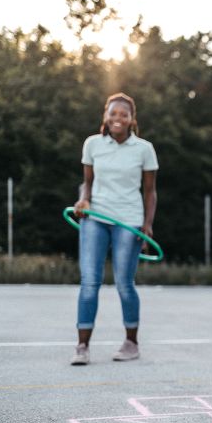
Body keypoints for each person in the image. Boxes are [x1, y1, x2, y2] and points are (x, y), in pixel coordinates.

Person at [71, 93, 158, 365]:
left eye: (123, 114)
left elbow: (150, 191)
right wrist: (84, 199)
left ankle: (131, 343)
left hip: (129, 221)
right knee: (89, 283)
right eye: (113, 113)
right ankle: (82, 347)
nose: (117, 118)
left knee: (124, 283)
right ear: (105, 117)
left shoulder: (144, 148)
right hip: (95, 217)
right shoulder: (92, 144)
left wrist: (147, 226)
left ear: (132, 119)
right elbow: (87, 182)